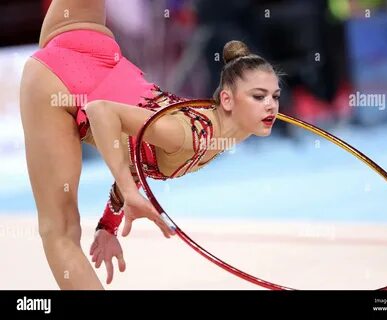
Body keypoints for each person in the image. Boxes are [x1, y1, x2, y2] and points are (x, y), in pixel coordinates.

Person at [20, 0, 281, 289]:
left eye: (275, 96)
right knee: (59, 233)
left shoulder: (211, 135)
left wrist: (109, 223)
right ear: (228, 100)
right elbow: (100, 111)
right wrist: (130, 192)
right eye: (259, 97)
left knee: (61, 232)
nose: (271, 106)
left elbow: (138, 149)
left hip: (83, 34)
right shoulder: (193, 136)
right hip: (55, 81)